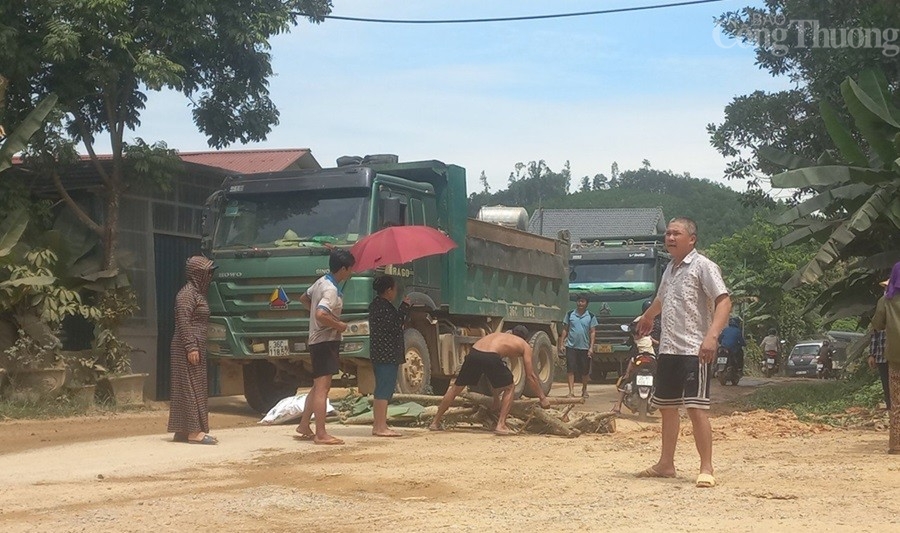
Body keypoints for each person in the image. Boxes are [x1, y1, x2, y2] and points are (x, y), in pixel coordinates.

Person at [635, 217, 731, 488]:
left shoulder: (704, 267)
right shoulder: (670, 269)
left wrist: (712, 337)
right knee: (666, 408)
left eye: (676, 233)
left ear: (692, 239)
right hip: (668, 349)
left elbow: (724, 301)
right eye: (668, 233)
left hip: (694, 349)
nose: (670, 238)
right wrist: (647, 317)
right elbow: (661, 300)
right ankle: (666, 464)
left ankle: (706, 468)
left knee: (696, 408)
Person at [428, 327, 552, 435]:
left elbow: (491, 374)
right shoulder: (524, 345)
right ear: (525, 338)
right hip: (490, 355)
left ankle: (435, 422)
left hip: (474, 352)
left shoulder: (500, 336)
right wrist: (542, 398)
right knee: (510, 387)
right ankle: (501, 424)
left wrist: (496, 399)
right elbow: (531, 376)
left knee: (456, 388)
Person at [295, 249, 355, 445]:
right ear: (343, 269)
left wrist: (315, 315)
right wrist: (338, 325)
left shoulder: (321, 281)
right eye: (350, 269)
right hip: (325, 342)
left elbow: (304, 298)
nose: (351, 273)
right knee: (323, 388)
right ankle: (321, 433)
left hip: (317, 340)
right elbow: (321, 314)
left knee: (316, 386)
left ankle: (304, 424)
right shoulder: (330, 289)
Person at [167, 255, 218, 445]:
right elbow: (183, 321)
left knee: (191, 386)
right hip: (186, 346)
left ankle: (183, 430)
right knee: (189, 387)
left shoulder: (197, 294)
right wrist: (191, 346)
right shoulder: (186, 294)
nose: (210, 277)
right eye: (207, 273)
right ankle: (194, 432)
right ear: (198, 274)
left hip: (195, 345)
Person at [368, 274, 410, 437]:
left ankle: (379, 424)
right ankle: (380, 426)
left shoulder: (376, 305)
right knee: (384, 390)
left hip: (381, 353)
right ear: (388, 290)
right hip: (386, 354)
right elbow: (395, 325)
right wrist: (405, 307)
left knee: (382, 389)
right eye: (394, 288)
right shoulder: (384, 307)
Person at [872, 261, 900, 454]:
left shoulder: (885, 301)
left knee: (896, 402)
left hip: (895, 357)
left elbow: (878, 324)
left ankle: (896, 445)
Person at [611, 318, 655, 415]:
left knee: (625, 380)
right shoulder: (649, 337)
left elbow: (632, 360)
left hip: (638, 360)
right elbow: (656, 342)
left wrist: (627, 373)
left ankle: (617, 406)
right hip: (652, 360)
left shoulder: (636, 340)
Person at [558, 294, 598, 398]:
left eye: (583, 301)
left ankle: (584, 390)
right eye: (579, 301)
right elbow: (565, 329)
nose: (580, 303)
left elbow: (592, 332)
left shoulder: (591, 316)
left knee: (585, 370)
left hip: (584, 347)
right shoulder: (570, 314)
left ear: (586, 304)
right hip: (571, 346)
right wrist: (562, 343)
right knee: (570, 369)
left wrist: (591, 347)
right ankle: (571, 391)